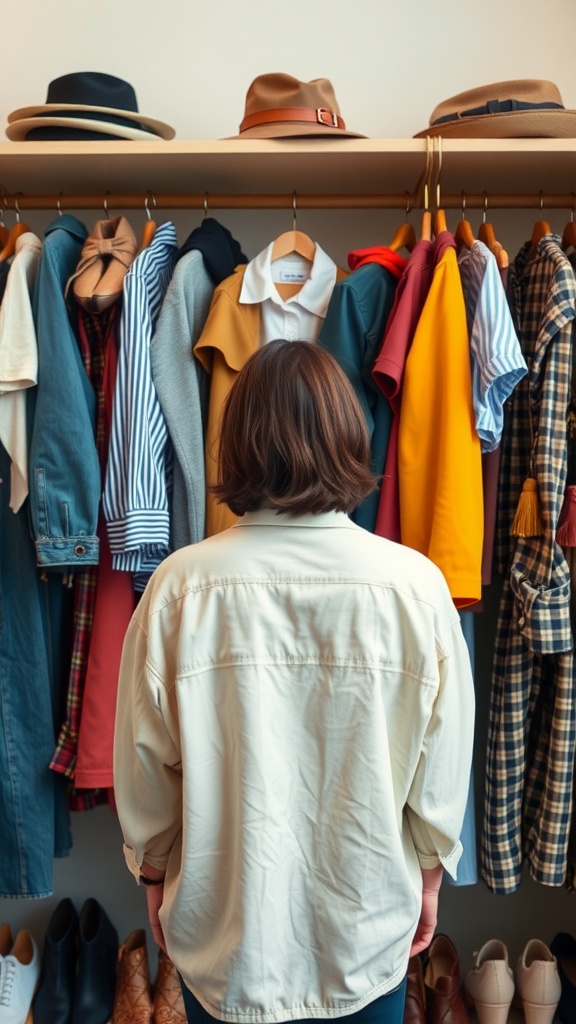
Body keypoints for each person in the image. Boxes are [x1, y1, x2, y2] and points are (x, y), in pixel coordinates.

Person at [113, 339, 475, 1024]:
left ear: (238, 444)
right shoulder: (415, 587)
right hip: (365, 938)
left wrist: (155, 876)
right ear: (346, 435)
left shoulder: (179, 589)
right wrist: (429, 878)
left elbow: (143, 766)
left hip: (225, 942)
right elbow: (440, 768)